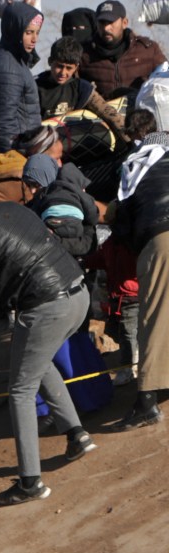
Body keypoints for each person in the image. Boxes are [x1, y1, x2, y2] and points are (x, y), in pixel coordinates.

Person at [0, 177, 95, 503]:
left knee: (21, 390)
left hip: (48, 306)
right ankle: (76, 434)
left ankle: (30, 482)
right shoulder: (12, 209)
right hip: (78, 295)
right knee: (33, 365)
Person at [108, 98, 169, 427]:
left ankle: (146, 400)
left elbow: (120, 220)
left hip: (162, 235)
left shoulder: (135, 165)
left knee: (153, 315)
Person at [0, 2, 44, 158]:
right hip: (11, 158)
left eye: (37, 32)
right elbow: (3, 124)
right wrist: (16, 160)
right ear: (15, 31)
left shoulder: (15, 61)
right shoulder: (8, 68)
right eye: (28, 32)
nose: (34, 39)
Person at [79, 1, 169, 103]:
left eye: (110, 22)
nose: (106, 28)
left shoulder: (148, 50)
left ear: (124, 23)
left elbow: (165, 82)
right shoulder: (84, 54)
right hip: (100, 116)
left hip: (142, 114)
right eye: (102, 22)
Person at [19, 150, 97, 260]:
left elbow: (84, 245)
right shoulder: (73, 194)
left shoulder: (53, 202)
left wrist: (55, 240)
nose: (32, 191)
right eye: (28, 185)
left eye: (36, 185)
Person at [37, 37, 124, 129]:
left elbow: (109, 113)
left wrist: (129, 139)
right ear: (50, 61)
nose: (63, 73)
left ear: (76, 68)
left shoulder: (82, 89)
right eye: (59, 66)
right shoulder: (34, 88)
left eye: (69, 68)